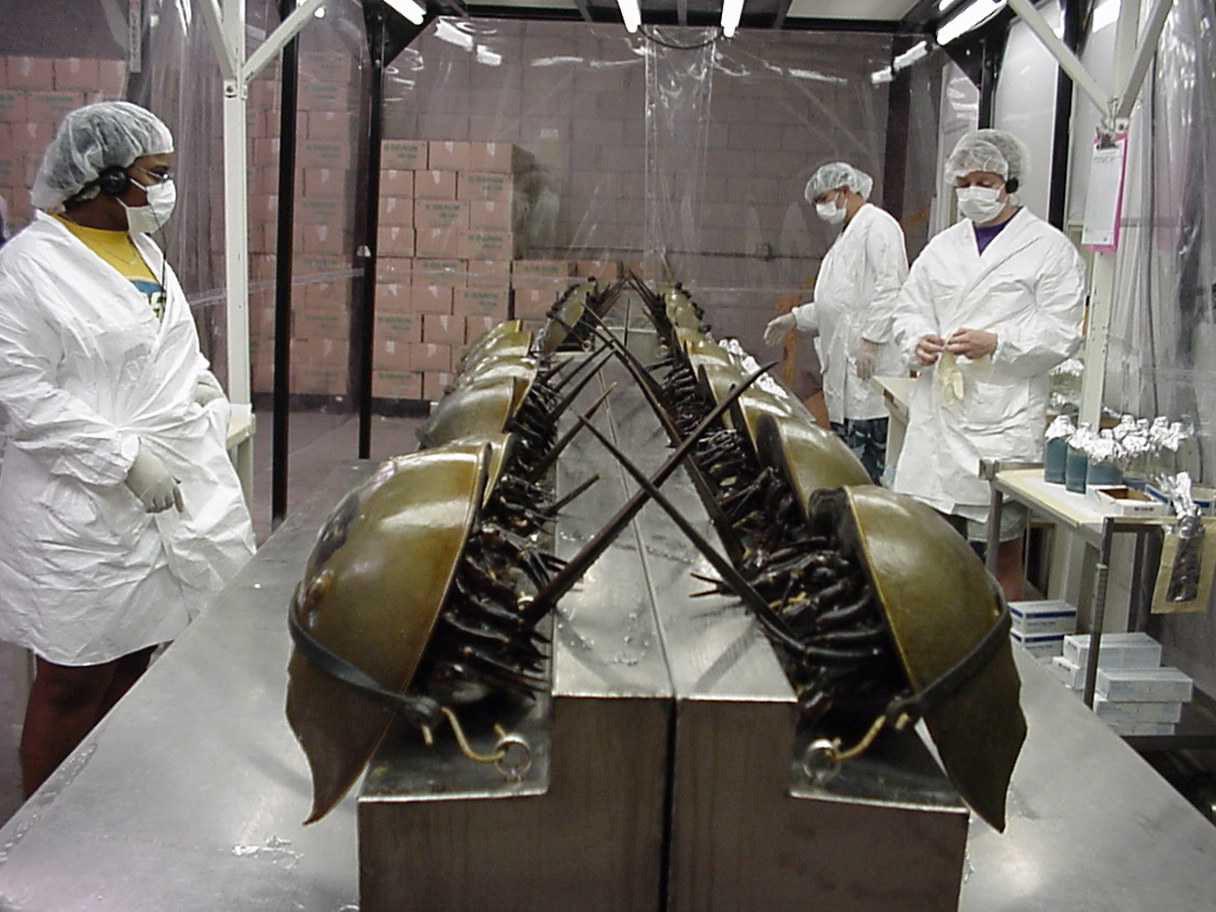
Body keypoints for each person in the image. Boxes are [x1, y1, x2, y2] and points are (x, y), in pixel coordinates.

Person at [0, 102, 256, 795]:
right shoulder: (26, 269)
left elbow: (163, 347)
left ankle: (101, 803)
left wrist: (201, 389)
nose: (166, 190)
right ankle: (38, 844)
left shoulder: (142, 248)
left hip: (164, 497)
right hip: (79, 508)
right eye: (156, 174)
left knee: (135, 656)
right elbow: (20, 393)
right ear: (104, 177)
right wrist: (123, 459)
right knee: (70, 678)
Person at [891, 128, 1085, 601]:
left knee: (1000, 554)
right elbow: (909, 307)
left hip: (1001, 420)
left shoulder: (1048, 248)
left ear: (1009, 182)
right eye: (965, 181)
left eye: (985, 179)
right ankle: (938, 641)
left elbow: (1063, 331)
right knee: (930, 549)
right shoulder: (943, 246)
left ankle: (1004, 654)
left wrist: (998, 342)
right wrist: (916, 341)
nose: (973, 190)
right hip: (939, 418)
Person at [763, 162, 908, 482]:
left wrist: (870, 341)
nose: (820, 208)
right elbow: (838, 306)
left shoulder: (878, 227)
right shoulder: (847, 236)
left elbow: (891, 289)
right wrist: (795, 318)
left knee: (869, 476)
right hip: (846, 376)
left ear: (846, 191)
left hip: (870, 373)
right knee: (849, 469)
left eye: (824, 198)